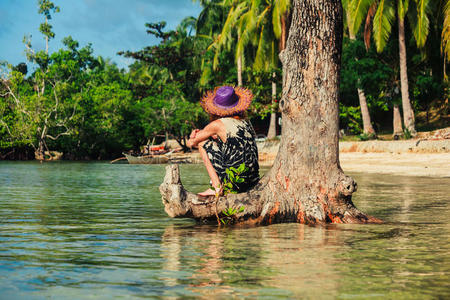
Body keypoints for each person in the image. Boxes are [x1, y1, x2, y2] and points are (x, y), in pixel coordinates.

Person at [187, 86, 260, 197]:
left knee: (202, 144)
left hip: (235, 183)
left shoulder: (217, 124)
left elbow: (191, 143)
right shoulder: (245, 122)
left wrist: (193, 135)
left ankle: (216, 187)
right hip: (252, 180)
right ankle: (218, 185)